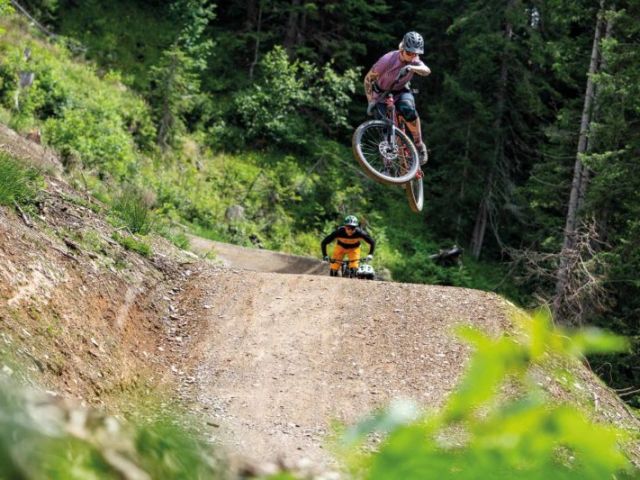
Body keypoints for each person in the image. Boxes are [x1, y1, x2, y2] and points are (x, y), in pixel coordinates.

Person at [364, 31, 431, 165]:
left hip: (401, 91)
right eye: (409, 53)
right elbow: (368, 79)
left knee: (409, 110)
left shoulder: (414, 60)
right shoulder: (387, 60)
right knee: (384, 129)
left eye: (415, 54)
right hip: (381, 94)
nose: (412, 56)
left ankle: (419, 145)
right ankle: (387, 166)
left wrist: (411, 67)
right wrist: (370, 100)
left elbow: (427, 70)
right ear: (402, 49)